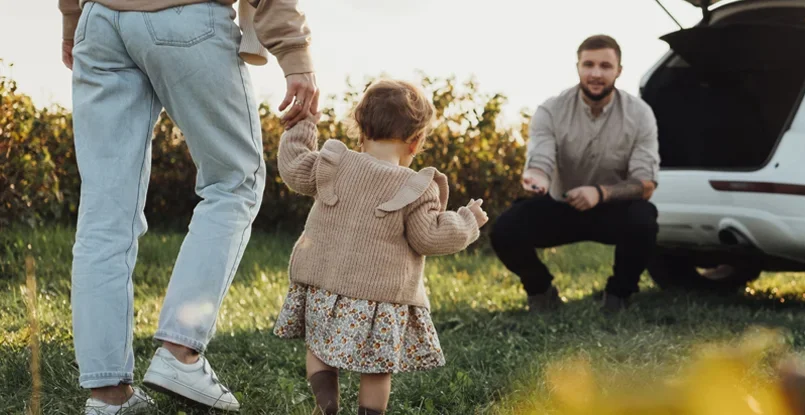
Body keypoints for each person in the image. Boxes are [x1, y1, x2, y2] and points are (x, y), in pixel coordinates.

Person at [60, 0, 318, 413]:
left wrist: (72, 18)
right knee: (235, 181)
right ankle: (180, 351)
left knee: (104, 213)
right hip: (184, 15)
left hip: (99, 19)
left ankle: (108, 396)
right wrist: (295, 55)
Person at [271, 79, 489, 415]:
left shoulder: (335, 163)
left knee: (319, 347)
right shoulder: (415, 186)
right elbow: (428, 237)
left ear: (360, 128)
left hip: (324, 285)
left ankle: (326, 406)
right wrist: (468, 220)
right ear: (415, 142)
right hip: (381, 300)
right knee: (376, 368)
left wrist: (303, 124)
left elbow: (294, 165)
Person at [490, 34, 661, 314]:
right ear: (578, 67)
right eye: (588, 64)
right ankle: (541, 291)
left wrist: (600, 193)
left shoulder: (640, 114)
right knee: (506, 228)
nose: (596, 73)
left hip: (611, 209)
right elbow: (540, 159)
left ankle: (619, 295)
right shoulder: (551, 109)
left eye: (605, 66)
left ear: (619, 70)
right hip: (560, 205)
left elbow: (646, 184)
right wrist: (537, 178)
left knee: (644, 218)